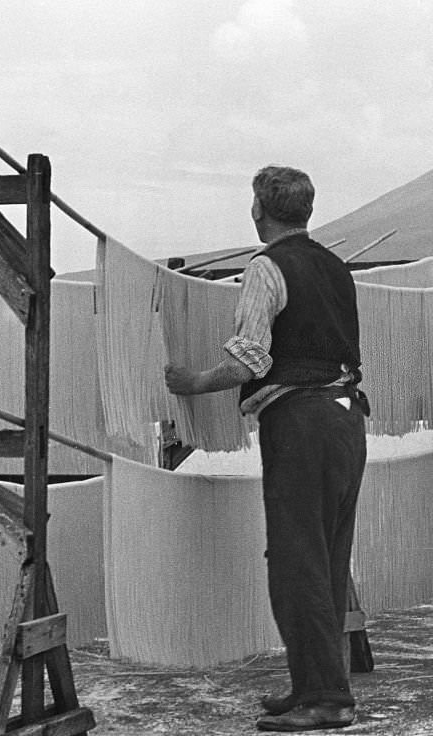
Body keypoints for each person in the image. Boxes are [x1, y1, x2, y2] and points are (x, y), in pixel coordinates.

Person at [165, 165, 368, 732]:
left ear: (259, 210)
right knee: (325, 559)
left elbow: (249, 359)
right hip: (347, 419)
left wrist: (192, 382)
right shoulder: (335, 267)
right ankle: (316, 684)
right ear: (306, 209)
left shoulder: (267, 267)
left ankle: (325, 700)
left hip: (301, 423)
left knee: (296, 561)